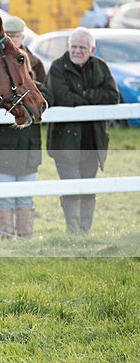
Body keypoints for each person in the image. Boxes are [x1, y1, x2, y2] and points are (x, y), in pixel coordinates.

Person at [44, 27, 119, 234]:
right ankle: (73, 232)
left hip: (93, 141)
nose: (77, 51)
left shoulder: (101, 67)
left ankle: (85, 231)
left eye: (82, 47)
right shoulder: (58, 67)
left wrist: (84, 95)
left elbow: (112, 97)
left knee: (88, 189)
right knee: (71, 188)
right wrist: (92, 98)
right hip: (65, 143)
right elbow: (63, 98)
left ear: (92, 49)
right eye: (73, 47)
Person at [0, 16, 46, 239]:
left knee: (25, 196)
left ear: (23, 37)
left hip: (29, 140)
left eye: (16, 36)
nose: (13, 40)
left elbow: (46, 94)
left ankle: (25, 237)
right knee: (3, 196)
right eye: (9, 36)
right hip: (4, 139)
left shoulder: (36, 62)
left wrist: (28, 92)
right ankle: (6, 238)